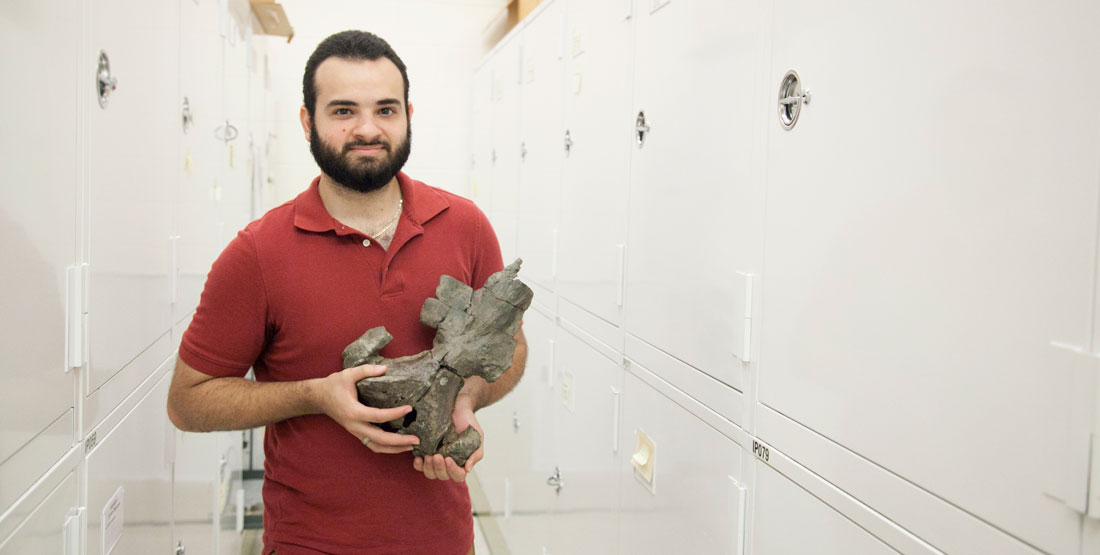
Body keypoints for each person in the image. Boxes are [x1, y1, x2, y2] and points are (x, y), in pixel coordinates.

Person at [167, 30, 527, 555]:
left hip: (443, 541)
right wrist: (313, 395)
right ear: (306, 121)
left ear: (407, 115)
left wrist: (463, 396)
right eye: (342, 111)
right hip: (309, 543)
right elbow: (188, 401)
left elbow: (511, 348)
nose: (367, 128)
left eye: (385, 109)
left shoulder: (465, 226)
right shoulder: (258, 254)